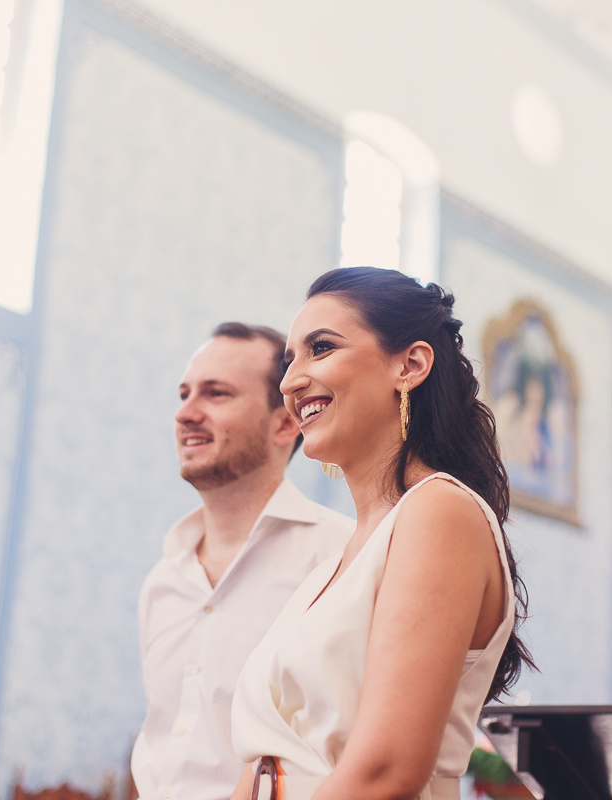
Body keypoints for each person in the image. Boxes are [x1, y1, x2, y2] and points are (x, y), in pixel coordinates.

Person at [230, 268, 534, 800]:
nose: (289, 382)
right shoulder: (341, 557)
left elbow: (386, 771)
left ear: (410, 365)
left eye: (321, 348)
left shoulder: (440, 511)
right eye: (288, 361)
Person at [130, 322, 353, 800]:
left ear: (284, 423)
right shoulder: (161, 581)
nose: (185, 413)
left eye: (216, 394)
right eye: (185, 394)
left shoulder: (340, 556)